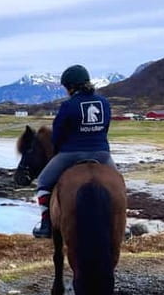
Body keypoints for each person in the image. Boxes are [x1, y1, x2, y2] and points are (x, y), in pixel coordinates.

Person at [34, 64, 117, 238]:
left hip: (71, 154)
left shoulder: (68, 105)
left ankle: (46, 224)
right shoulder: (104, 103)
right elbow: (105, 128)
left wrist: (59, 151)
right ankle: (122, 225)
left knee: (42, 182)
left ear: (71, 86)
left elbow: (58, 134)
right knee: (118, 185)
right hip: (102, 153)